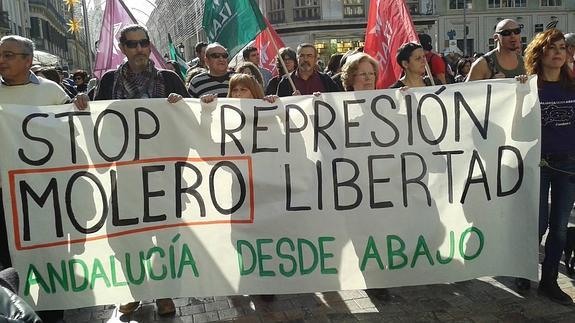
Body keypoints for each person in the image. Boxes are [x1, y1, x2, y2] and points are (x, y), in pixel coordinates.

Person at [74, 24, 188, 316]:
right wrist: (82, 106)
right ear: (122, 48)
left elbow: (194, 122)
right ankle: (135, 291)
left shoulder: (170, 80)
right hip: (124, 174)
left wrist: (181, 106)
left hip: (164, 174)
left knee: (166, 239)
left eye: (144, 43)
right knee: (123, 239)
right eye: (132, 44)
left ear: (150, 46)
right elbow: (98, 123)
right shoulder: (110, 81)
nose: (139, 49)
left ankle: (164, 295)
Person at [0, 34, 72, 323]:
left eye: (8, 55)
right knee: (10, 261)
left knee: (50, 257)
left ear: (27, 60)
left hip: (45, 191)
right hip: (5, 194)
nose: (1, 60)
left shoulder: (52, 92)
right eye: (1, 54)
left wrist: (79, 105)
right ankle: (18, 311)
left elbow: (75, 134)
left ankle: (53, 312)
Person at [524, 28, 575, 305]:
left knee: (559, 227)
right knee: (538, 224)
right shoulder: (530, 86)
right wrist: (518, 90)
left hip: (568, 165)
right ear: (540, 54)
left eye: (562, 47)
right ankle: (522, 268)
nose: (558, 52)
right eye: (551, 47)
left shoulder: (573, 85)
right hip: (538, 164)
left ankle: (549, 280)